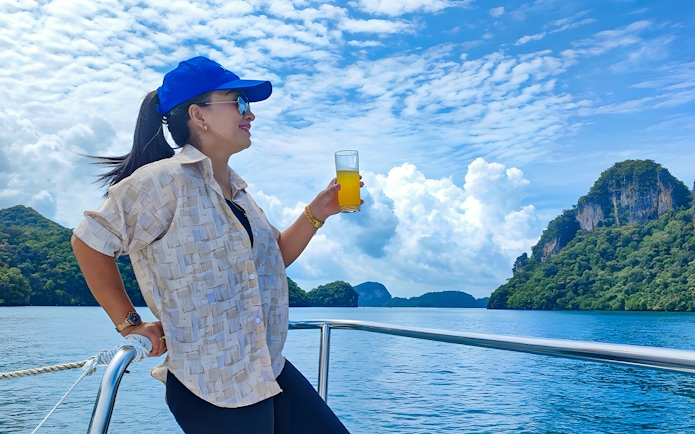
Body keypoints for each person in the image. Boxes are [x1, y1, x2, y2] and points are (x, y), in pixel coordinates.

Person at [71, 56, 358, 434]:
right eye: (238, 102)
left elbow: (274, 259)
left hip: (266, 367)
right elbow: (88, 242)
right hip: (212, 383)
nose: (250, 114)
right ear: (198, 114)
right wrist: (130, 324)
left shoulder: (239, 193)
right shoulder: (163, 182)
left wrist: (316, 213)